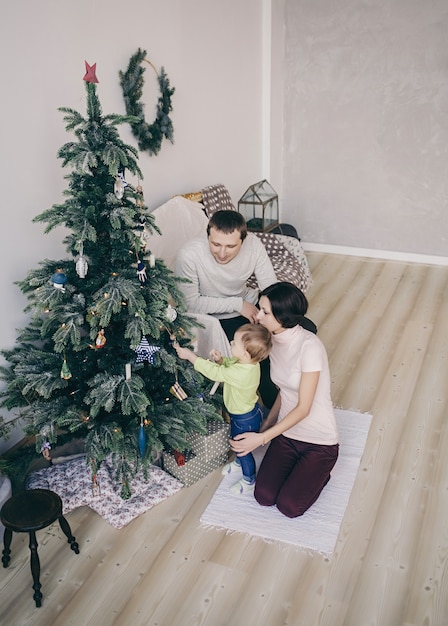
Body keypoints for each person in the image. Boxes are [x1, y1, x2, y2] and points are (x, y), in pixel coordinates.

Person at [230, 282, 339, 518]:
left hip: (319, 442)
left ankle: (322, 473)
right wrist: (267, 423)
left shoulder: (309, 347)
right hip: (288, 436)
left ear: (283, 317)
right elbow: (285, 390)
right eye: (260, 308)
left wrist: (262, 438)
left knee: (289, 507)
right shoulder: (271, 341)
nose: (257, 315)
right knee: (264, 497)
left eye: (265, 312)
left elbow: (303, 407)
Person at [174, 323, 272, 495]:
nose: (230, 344)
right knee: (237, 442)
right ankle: (238, 462)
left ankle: (249, 479)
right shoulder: (250, 363)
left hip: (244, 418)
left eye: (234, 343)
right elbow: (230, 364)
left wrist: (190, 356)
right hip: (249, 412)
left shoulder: (241, 373)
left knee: (241, 448)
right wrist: (221, 361)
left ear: (246, 354)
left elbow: (214, 373)